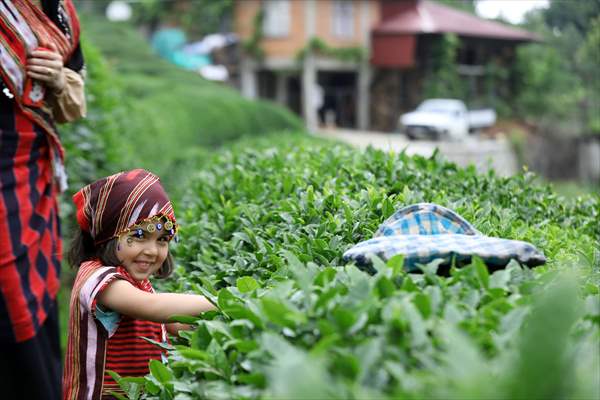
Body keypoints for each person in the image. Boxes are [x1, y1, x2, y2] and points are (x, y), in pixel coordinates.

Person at [62, 169, 216, 399]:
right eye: (140, 236)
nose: (152, 251)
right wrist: (222, 302)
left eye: (162, 240)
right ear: (110, 236)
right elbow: (152, 308)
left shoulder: (137, 283)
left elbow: (167, 327)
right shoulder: (98, 279)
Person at [0, 0, 86, 398]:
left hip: (32, 169)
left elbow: (72, 98)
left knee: (32, 290)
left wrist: (57, 77)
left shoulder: (61, 13)